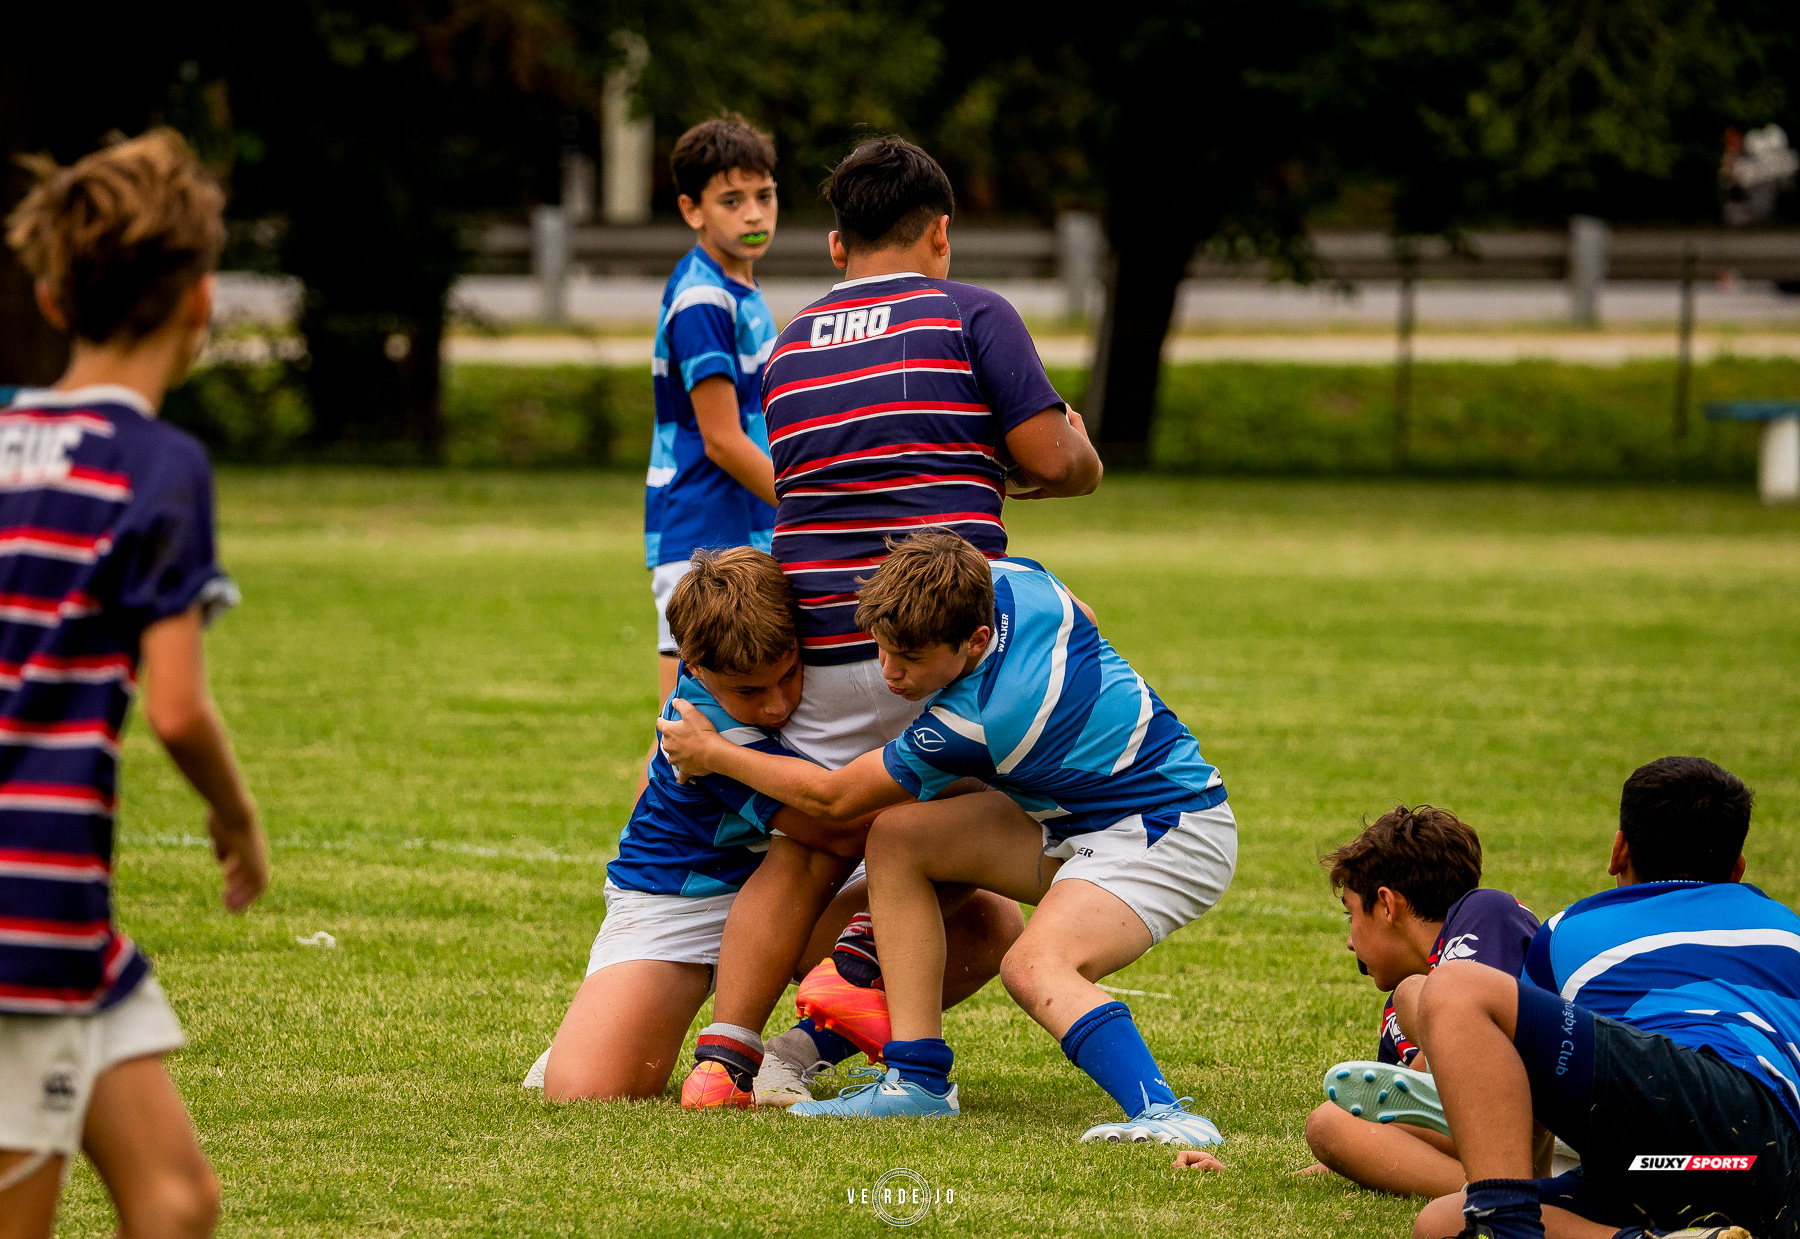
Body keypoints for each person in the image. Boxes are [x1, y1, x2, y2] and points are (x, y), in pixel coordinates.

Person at [658, 530, 1235, 1146]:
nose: (891, 675)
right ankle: (917, 1083)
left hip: (1167, 829)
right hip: (1074, 816)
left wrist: (712, 751)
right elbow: (1084, 616)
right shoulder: (1017, 583)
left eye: (909, 661)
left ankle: (1165, 1114)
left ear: (977, 639)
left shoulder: (978, 718)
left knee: (1035, 966)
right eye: (882, 651)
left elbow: (833, 800)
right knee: (901, 838)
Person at [0, 129, 269, 1239]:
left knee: (176, 1201)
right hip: (32, 901)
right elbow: (175, 706)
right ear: (201, 302)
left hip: (72, 930)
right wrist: (236, 817)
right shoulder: (159, 467)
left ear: (56, 297)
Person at [530, 549, 1017, 1108]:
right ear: (693, 664)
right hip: (683, 901)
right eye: (749, 693)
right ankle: (604, 1024)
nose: (778, 705)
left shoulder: (827, 668)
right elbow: (828, 830)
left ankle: (793, 1054)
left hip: (801, 895)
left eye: (788, 677)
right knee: (586, 1091)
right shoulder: (697, 724)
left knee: (988, 921)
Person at [760, 135, 1101, 773]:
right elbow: (1057, 463)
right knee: (1020, 819)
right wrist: (1074, 452)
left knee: (846, 846)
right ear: (941, 233)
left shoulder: (787, 348)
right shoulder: (971, 313)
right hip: (946, 639)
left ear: (838, 245)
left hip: (816, 647)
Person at [1386, 757, 1799, 1239]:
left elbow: (1532, 1088)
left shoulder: (1569, 932)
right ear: (1738, 869)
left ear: (1619, 850)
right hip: (1752, 1170)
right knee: (1442, 1223)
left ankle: (1509, 1229)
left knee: (1454, 985)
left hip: (1698, 1101)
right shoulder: (1788, 931)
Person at [1262, 806, 1540, 1195]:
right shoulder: (1396, 1011)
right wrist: (1343, 1158)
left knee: (1418, 996)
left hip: (1545, 1114)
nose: (1349, 940)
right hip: (1491, 1143)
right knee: (1329, 1123)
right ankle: (1505, 1190)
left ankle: (1513, 1183)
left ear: (1388, 905)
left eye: (1351, 915)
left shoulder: (1485, 911)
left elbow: (1489, 1032)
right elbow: (1382, 1114)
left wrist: (1425, 1065)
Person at [639, 114, 783, 791]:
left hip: (738, 525)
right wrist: (809, 502)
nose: (753, 214)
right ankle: (635, 886)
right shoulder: (702, 297)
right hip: (701, 529)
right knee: (680, 724)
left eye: (765, 195)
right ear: (690, 209)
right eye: (732, 200)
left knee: (724, 719)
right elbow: (723, 439)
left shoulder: (738, 288)